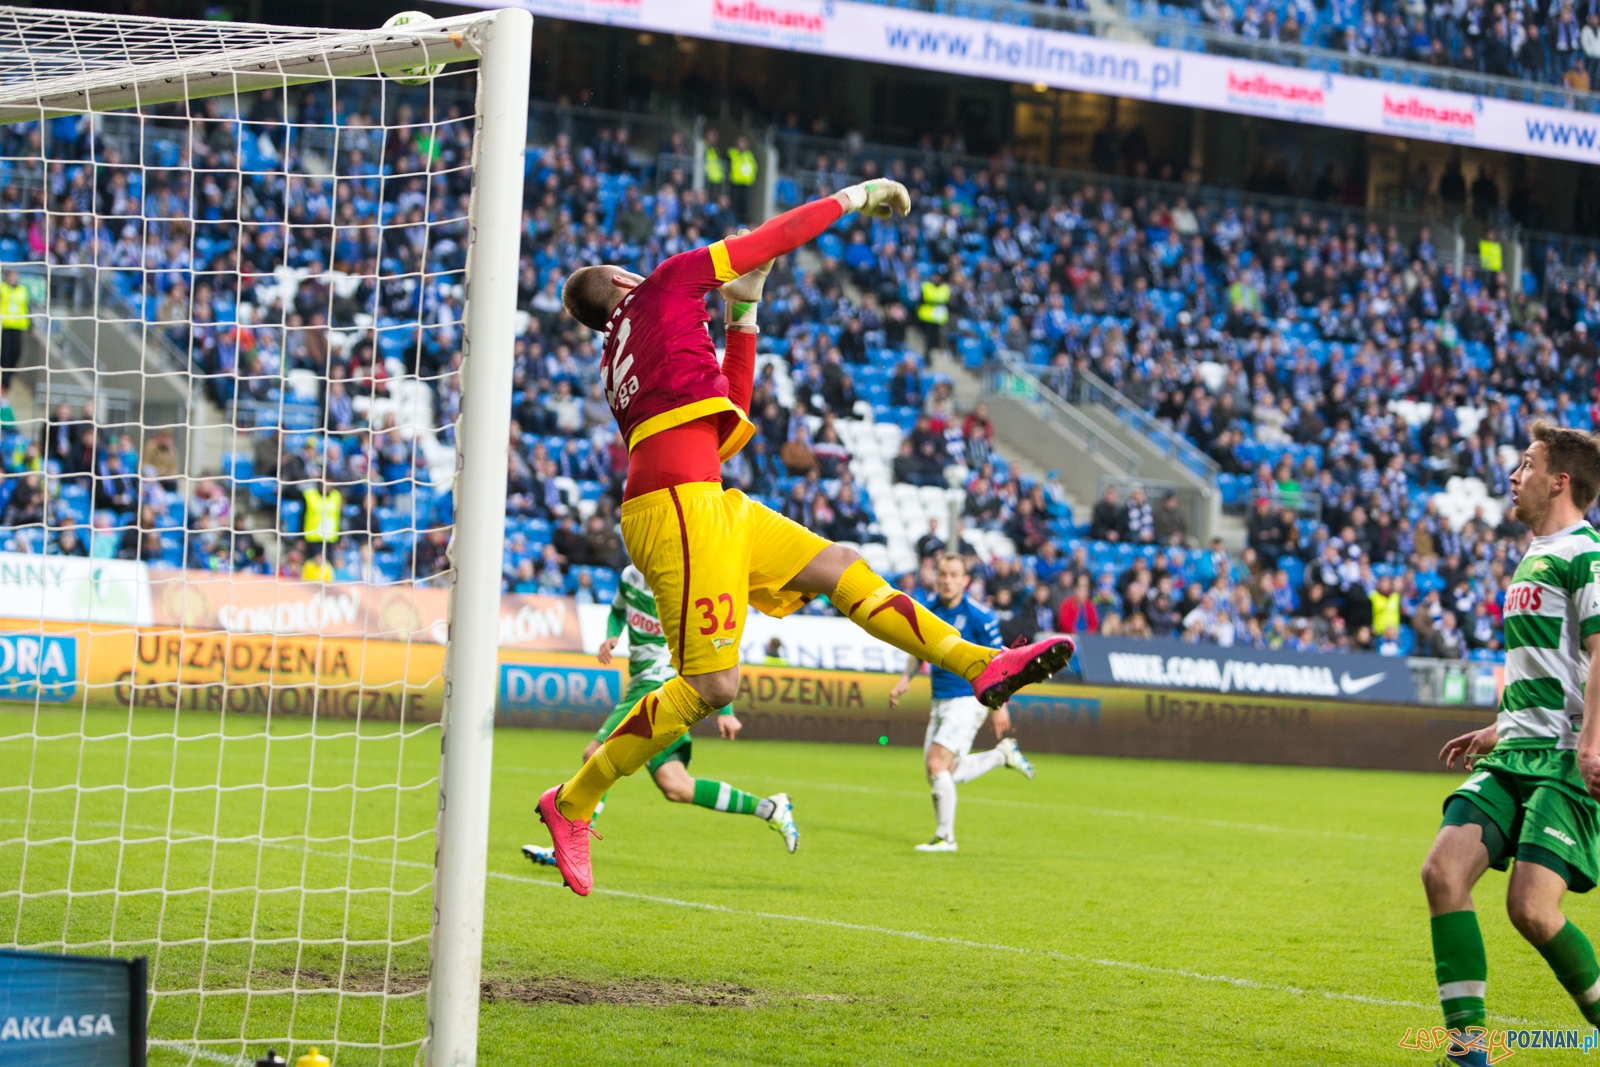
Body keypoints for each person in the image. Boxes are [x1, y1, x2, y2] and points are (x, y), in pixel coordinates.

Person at [542, 182, 1074, 895]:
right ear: (616, 280)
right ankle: (571, 800)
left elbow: (724, 417)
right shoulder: (666, 283)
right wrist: (856, 196)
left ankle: (981, 664)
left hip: (704, 497)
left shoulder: (625, 351)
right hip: (678, 507)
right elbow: (773, 237)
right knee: (711, 686)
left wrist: (745, 317)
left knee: (839, 565)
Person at [1422, 421, 1600, 1067]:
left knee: (1530, 909)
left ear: (1560, 481)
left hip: (1562, 760)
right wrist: (1502, 725)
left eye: (1526, 464)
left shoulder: (1586, 553)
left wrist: (1592, 743)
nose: (1513, 474)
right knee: (1443, 872)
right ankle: (1468, 1053)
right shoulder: (1532, 554)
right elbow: (1556, 668)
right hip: (1518, 748)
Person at [523, 564, 798, 874]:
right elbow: (616, 612)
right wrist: (611, 637)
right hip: (641, 682)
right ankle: (770, 808)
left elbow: (716, 649)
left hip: (662, 685)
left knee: (594, 753)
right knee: (677, 786)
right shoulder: (629, 576)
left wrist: (727, 711)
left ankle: (570, 844)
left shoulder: (683, 584)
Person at [888, 553, 1035, 852]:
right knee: (941, 771)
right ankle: (1000, 756)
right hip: (939, 699)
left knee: (936, 763)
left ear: (965, 580)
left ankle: (946, 838)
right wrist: (905, 680)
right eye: (942, 574)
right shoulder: (927, 611)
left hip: (969, 699)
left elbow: (998, 664)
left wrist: (999, 705)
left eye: (954, 574)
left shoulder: (980, 616)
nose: (946, 580)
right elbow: (918, 650)